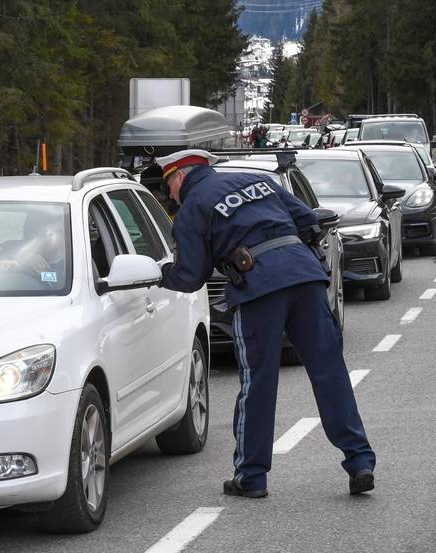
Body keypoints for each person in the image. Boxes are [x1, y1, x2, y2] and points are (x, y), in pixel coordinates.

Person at [156, 148, 376, 498]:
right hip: (305, 278)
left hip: (259, 290)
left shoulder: (192, 208)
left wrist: (159, 274)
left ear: (180, 176)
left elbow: (190, 276)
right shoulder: (257, 181)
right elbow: (308, 221)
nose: (169, 193)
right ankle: (360, 461)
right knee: (329, 371)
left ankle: (251, 476)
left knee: (258, 381)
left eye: (169, 184)